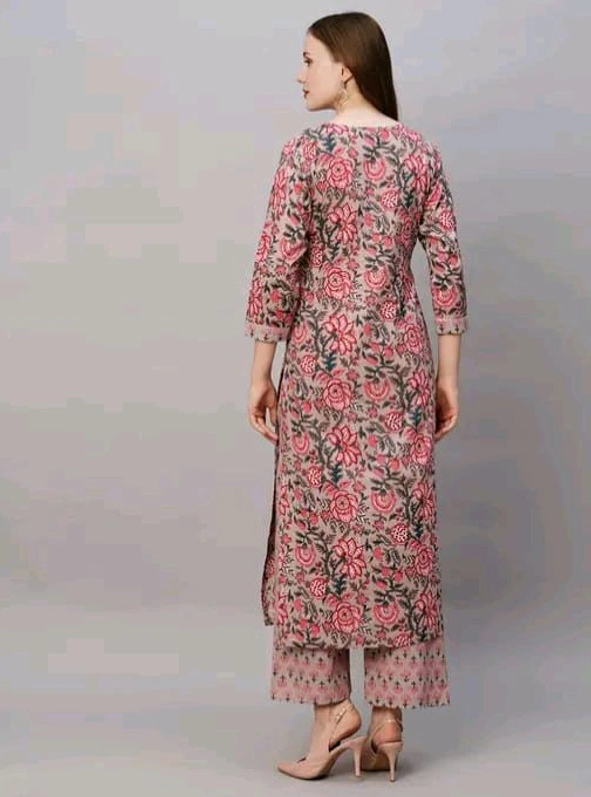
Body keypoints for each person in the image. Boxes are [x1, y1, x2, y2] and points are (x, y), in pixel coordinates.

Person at [244, 11, 469, 782]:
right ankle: (389, 720)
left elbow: (278, 267)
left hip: (323, 365)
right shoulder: (419, 153)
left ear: (346, 65)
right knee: (395, 529)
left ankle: (330, 712)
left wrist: (260, 369)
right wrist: (448, 376)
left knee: (316, 533)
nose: (299, 74)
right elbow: (448, 271)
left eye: (308, 59)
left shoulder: (307, 153)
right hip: (401, 365)